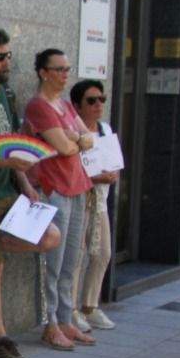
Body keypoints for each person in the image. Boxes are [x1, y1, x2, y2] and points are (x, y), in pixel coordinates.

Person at [0, 29, 59, 358]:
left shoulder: (6, 93)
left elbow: (13, 145)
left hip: (10, 191)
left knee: (51, 236)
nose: (6, 62)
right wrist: (8, 164)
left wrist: (24, 182)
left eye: (8, 55)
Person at [24, 48, 96, 351]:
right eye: (60, 69)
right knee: (52, 262)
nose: (66, 74)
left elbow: (88, 138)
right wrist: (73, 138)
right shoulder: (39, 106)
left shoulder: (65, 105)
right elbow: (63, 147)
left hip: (78, 186)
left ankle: (67, 318)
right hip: (54, 188)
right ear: (43, 72)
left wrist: (73, 137)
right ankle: (50, 322)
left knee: (71, 261)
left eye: (68, 68)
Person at [70, 78, 118, 332]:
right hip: (79, 198)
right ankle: (72, 309)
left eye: (102, 99)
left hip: (100, 200)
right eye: (92, 100)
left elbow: (113, 161)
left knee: (102, 252)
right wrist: (99, 176)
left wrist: (112, 174)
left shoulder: (105, 130)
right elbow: (72, 169)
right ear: (78, 106)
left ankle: (90, 305)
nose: (98, 105)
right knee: (76, 255)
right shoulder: (74, 133)